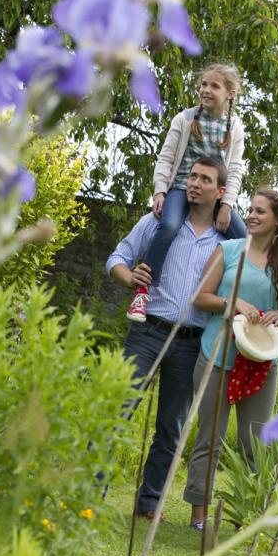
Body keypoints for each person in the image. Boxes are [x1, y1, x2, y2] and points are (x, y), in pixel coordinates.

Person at [106, 156, 227, 520]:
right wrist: (128, 278)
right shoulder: (158, 222)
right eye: (191, 176)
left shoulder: (227, 241)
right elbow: (117, 257)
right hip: (148, 332)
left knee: (170, 430)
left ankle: (149, 506)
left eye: (204, 179)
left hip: (193, 341)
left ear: (221, 191)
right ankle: (90, 491)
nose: (194, 183)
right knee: (117, 412)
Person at [183, 189, 278, 530]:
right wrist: (231, 304)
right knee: (209, 440)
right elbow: (200, 297)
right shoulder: (228, 251)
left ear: (277, 220)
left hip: (261, 362)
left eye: (260, 211)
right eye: (250, 209)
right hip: (217, 355)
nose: (251, 215)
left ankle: (244, 518)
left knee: (254, 444)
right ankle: (199, 518)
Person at [127, 63, 246, 324]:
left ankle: (240, 300)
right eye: (204, 84)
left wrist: (226, 204)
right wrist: (160, 191)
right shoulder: (185, 119)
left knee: (244, 240)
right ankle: (143, 291)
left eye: (214, 86)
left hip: (215, 195)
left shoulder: (235, 128)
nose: (206, 90)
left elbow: (235, 169)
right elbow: (166, 158)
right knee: (168, 226)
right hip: (182, 187)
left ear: (230, 93)